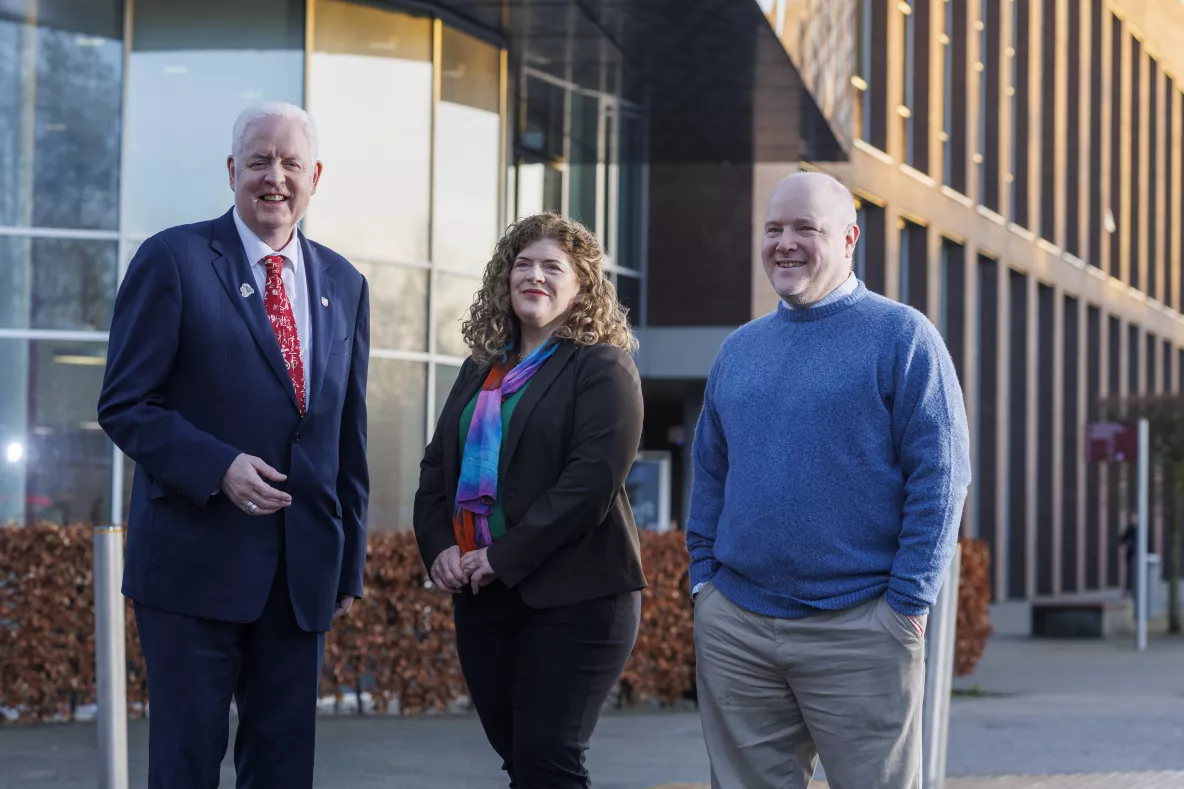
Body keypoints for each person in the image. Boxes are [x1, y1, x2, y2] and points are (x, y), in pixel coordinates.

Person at [97, 101, 370, 789]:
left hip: (300, 573)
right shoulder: (175, 259)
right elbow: (126, 403)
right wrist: (218, 466)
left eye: (290, 163)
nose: (273, 176)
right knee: (186, 764)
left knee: (282, 770)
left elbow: (348, 436)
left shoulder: (345, 283)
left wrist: (348, 562)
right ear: (230, 171)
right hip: (193, 567)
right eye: (258, 160)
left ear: (316, 176)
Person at [686, 171, 972, 789]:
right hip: (739, 627)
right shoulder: (739, 349)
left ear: (849, 238)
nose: (785, 243)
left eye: (804, 229)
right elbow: (709, 471)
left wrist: (908, 603)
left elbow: (943, 474)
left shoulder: (902, 336)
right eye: (774, 229)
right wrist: (704, 582)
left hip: (862, 626)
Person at [413, 212, 645, 788]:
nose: (534, 276)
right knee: (521, 758)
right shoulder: (479, 371)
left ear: (581, 285)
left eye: (551, 267)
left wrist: (501, 555)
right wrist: (440, 547)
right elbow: (436, 470)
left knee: (548, 759)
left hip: (578, 596)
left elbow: (589, 484)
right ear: (504, 279)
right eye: (523, 265)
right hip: (483, 596)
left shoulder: (602, 368)